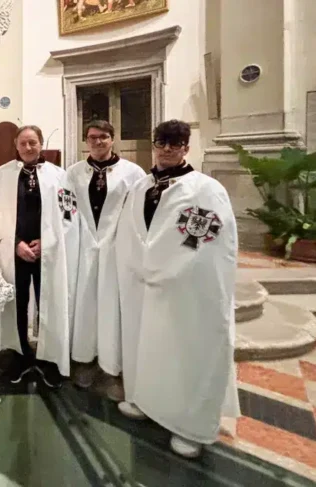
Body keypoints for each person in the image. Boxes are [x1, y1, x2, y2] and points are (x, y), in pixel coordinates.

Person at [115, 120, 239, 458]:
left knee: (186, 353)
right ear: (154, 144)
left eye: (176, 142)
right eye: (162, 142)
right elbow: (129, 230)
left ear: (186, 146)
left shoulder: (205, 189)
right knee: (147, 345)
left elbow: (202, 240)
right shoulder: (141, 186)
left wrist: (163, 267)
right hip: (145, 282)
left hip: (186, 287)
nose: (168, 149)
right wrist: (138, 264)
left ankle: (191, 426)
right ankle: (145, 400)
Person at [0, 125, 80, 387]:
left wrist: (47, 242)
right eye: (24, 143)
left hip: (47, 250)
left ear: (41, 145)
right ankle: (19, 353)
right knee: (16, 300)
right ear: (16, 145)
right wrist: (14, 244)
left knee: (47, 299)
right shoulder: (2, 176)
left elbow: (69, 214)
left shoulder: (59, 176)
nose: (28, 148)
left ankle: (48, 358)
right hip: (14, 250)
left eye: (33, 143)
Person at [67, 120, 145, 400]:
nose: (98, 142)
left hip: (117, 248)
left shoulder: (133, 173)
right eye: (92, 138)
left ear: (113, 139)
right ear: (85, 141)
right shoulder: (74, 173)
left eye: (103, 137)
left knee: (114, 306)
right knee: (85, 304)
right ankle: (85, 360)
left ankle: (112, 368)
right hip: (84, 247)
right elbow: (67, 211)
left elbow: (139, 213)